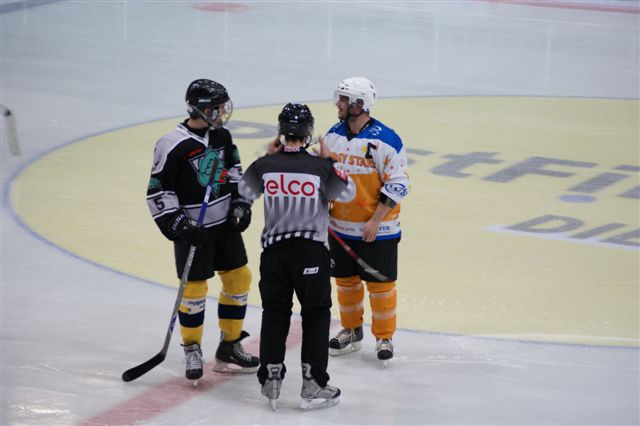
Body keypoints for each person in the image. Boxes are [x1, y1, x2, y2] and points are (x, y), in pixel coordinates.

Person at [238, 103, 354, 410]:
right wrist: (331, 160)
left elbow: (243, 193)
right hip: (310, 253)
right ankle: (313, 383)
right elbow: (348, 193)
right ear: (309, 133)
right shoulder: (321, 167)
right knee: (315, 314)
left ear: (281, 131)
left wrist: (268, 158)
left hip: (274, 255)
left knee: (275, 312)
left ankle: (271, 378)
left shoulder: (265, 165)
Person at [146, 78, 259, 382]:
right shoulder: (171, 144)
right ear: (203, 109)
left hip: (224, 226)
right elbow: (158, 190)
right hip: (194, 230)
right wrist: (179, 224)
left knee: (239, 277)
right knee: (194, 288)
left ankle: (229, 345)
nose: (223, 112)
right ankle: (192, 348)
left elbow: (234, 172)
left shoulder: (221, 136)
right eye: (218, 107)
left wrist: (240, 205)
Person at [323, 76, 410, 362]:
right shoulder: (333, 135)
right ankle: (351, 330)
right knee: (345, 282)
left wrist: (375, 221)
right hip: (340, 227)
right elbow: (327, 177)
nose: (338, 104)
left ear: (360, 104)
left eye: (344, 99)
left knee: (380, 286)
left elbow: (398, 184)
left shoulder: (387, 140)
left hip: (379, 229)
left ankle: (384, 337)